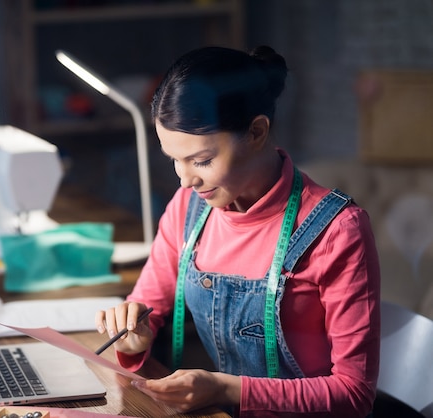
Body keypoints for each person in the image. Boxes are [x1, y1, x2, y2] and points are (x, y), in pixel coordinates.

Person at [95, 45, 381, 417]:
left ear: (257, 131)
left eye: (201, 160)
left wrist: (224, 388)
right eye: (174, 161)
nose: (185, 181)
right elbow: (148, 310)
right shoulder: (188, 211)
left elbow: (354, 394)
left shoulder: (337, 231)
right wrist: (133, 340)